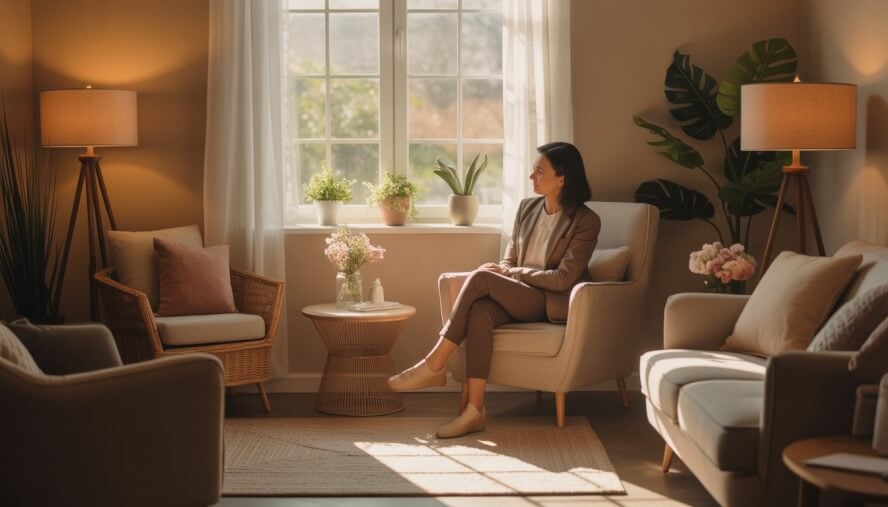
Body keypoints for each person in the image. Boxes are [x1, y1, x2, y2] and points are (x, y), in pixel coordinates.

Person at [387, 141, 600, 438]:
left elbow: (563, 278)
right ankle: (474, 411)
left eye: (540, 171)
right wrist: (507, 272)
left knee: (481, 277)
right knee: (480, 310)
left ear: (562, 178)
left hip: (550, 301)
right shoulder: (528, 208)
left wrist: (510, 273)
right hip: (521, 293)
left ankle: (435, 362)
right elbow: (508, 258)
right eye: (533, 170)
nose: (532, 177)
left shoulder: (586, 221)